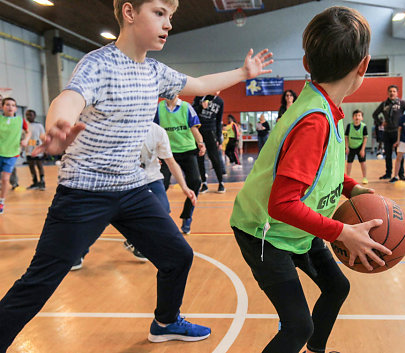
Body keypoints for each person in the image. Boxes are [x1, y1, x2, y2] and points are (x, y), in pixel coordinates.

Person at [0, 0, 273, 350]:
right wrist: (58, 125)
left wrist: (243, 73)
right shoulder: (98, 64)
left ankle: (165, 322)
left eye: (170, 17)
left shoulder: (155, 72)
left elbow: (200, 83)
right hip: (84, 191)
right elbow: (69, 97)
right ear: (130, 13)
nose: (168, 24)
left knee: (178, 256)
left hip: (131, 188)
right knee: (40, 281)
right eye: (160, 14)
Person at [230, 7, 391, 353]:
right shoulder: (314, 121)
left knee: (336, 287)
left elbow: (319, 169)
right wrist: (344, 232)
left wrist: (352, 187)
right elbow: (282, 203)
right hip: (265, 233)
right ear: (363, 65)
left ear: (306, 61)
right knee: (297, 326)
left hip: (296, 226)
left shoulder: (324, 106)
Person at [124, 122, 197, 259]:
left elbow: (170, 161)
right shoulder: (121, 128)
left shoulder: (157, 131)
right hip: (127, 179)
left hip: (152, 178)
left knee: (162, 209)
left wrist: (184, 186)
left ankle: (138, 243)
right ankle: (78, 252)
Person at [157, 95, 206, 235]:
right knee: (161, 185)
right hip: (167, 152)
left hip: (187, 150)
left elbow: (194, 129)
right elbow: (153, 130)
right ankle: (160, 219)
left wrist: (201, 143)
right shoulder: (159, 108)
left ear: (177, 93)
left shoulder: (186, 107)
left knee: (195, 182)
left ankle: (187, 216)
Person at [0, 97, 30, 215]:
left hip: (12, 154)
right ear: (2, 107)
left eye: (13, 105)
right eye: (7, 104)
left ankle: (1, 202)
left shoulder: (20, 120)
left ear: (16, 108)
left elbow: (28, 132)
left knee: (5, 179)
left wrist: (26, 140)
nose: (10, 107)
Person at [192, 91, 225, 193]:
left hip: (211, 132)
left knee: (215, 158)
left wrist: (219, 138)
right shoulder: (200, 96)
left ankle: (221, 183)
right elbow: (192, 113)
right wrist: (201, 107)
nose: (217, 91)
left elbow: (219, 120)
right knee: (200, 158)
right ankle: (204, 183)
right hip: (198, 131)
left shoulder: (220, 101)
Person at [373, 85, 405, 180]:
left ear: (397, 93)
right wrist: (380, 122)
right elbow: (374, 114)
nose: (392, 93)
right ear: (388, 93)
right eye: (390, 91)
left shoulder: (402, 103)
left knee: (399, 155)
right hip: (387, 133)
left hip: (397, 133)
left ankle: (401, 173)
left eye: (394, 91)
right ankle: (388, 173)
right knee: (388, 154)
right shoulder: (384, 104)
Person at [25, 109, 46, 190]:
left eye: (30, 115)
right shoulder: (25, 125)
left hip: (37, 149)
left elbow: (43, 137)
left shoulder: (39, 125)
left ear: (34, 116)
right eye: (27, 115)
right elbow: (23, 137)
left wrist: (45, 149)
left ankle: (42, 182)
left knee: (39, 165)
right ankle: (35, 182)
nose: (28, 116)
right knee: (31, 166)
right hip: (28, 149)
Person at [345, 109, 368, 184]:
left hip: (360, 147)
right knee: (349, 162)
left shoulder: (364, 126)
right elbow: (346, 137)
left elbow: (365, 138)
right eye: (355, 116)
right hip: (351, 147)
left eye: (359, 115)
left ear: (362, 118)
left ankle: (364, 177)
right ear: (353, 117)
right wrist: (347, 147)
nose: (357, 117)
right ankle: (348, 177)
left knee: (363, 162)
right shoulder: (349, 126)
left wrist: (363, 149)